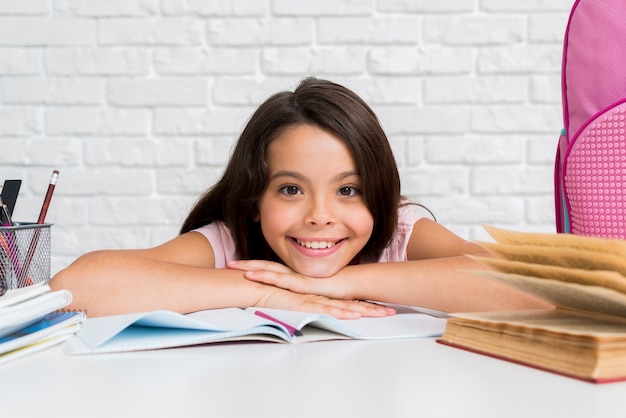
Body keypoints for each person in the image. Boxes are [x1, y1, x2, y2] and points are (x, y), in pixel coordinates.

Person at [50, 78, 549, 318]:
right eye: (290, 189)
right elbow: (76, 287)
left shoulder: (399, 231)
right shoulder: (231, 244)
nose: (320, 216)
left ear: (377, 198)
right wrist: (268, 293)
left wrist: (343, 283)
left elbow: (539, 286)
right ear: (253, 201)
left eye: (348, 190)